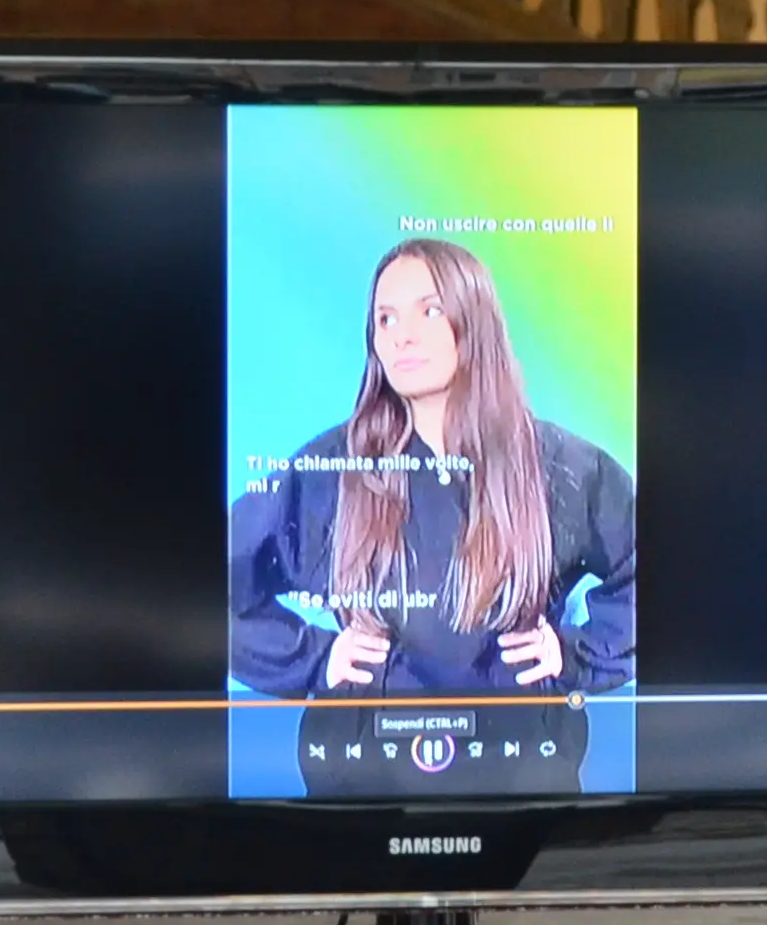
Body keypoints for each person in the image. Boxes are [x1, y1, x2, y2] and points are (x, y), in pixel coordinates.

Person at [232, 233, 640, 712]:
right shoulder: (328, 472)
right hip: (365, 771)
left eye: (429, 311)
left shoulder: (564, 467)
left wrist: (575, 655)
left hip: (522, 768)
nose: (402, 334)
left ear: (475, 321)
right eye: (386, 318)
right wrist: (314, 659)